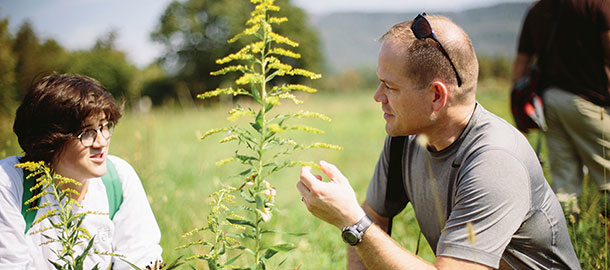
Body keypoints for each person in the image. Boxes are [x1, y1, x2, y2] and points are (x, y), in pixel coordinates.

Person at [297, 13, 580, 269]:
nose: (377, 96)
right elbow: (375, 218)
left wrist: (354, 223)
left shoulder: (495, 162)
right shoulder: (405, 140)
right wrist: (361, 223)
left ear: (436, 96)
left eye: (391, 87)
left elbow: (364, 225)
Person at [0, 74, 163, 269]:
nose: (102, 142)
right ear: (50, 139)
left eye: (104, 127)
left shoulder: (119, 177)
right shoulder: (9, 183)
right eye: (87, 132)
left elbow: (142, 258)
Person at [513, 0, 610, 216]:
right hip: (591, 103)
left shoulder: (537, 10)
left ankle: (568, 238)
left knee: (565, 185)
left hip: (550, 102)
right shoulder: (598, 4)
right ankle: (601, 239)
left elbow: (521, 64)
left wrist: (518, 110)